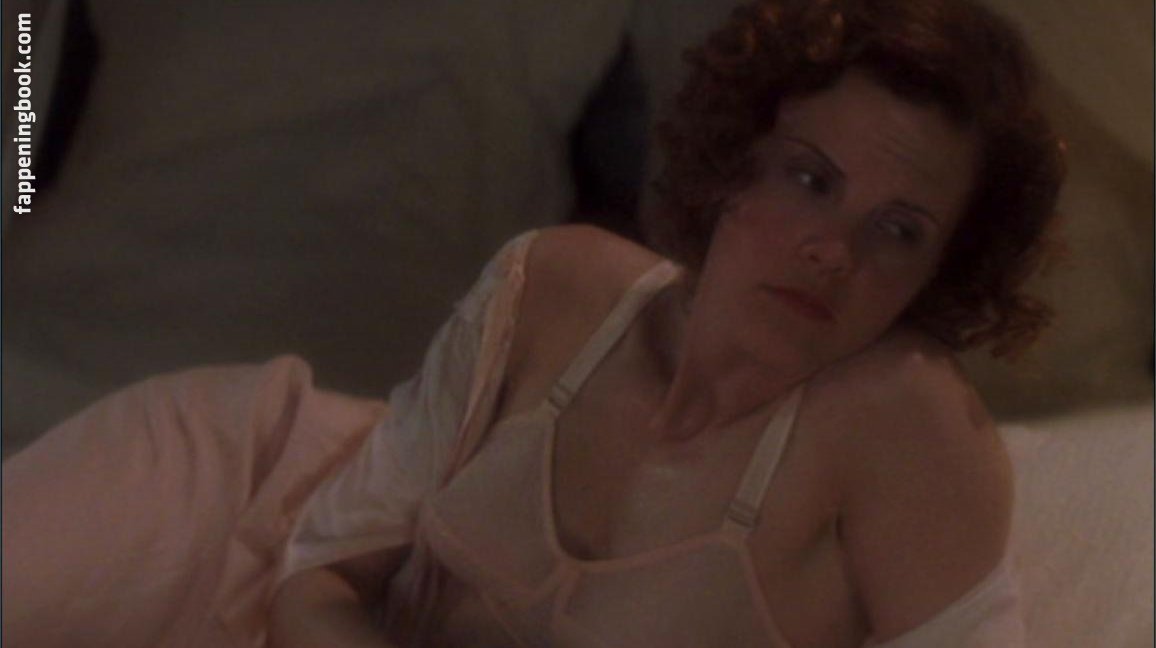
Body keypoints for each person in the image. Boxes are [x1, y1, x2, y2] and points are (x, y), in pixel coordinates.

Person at [1, 0, 1063, 646]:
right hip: (244, 479)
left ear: (941, 274)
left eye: (899, 231)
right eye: (808, 179)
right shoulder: (553, 285)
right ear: (733, 163)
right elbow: (312, 573)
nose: (834, 249)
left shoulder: (905, 429)